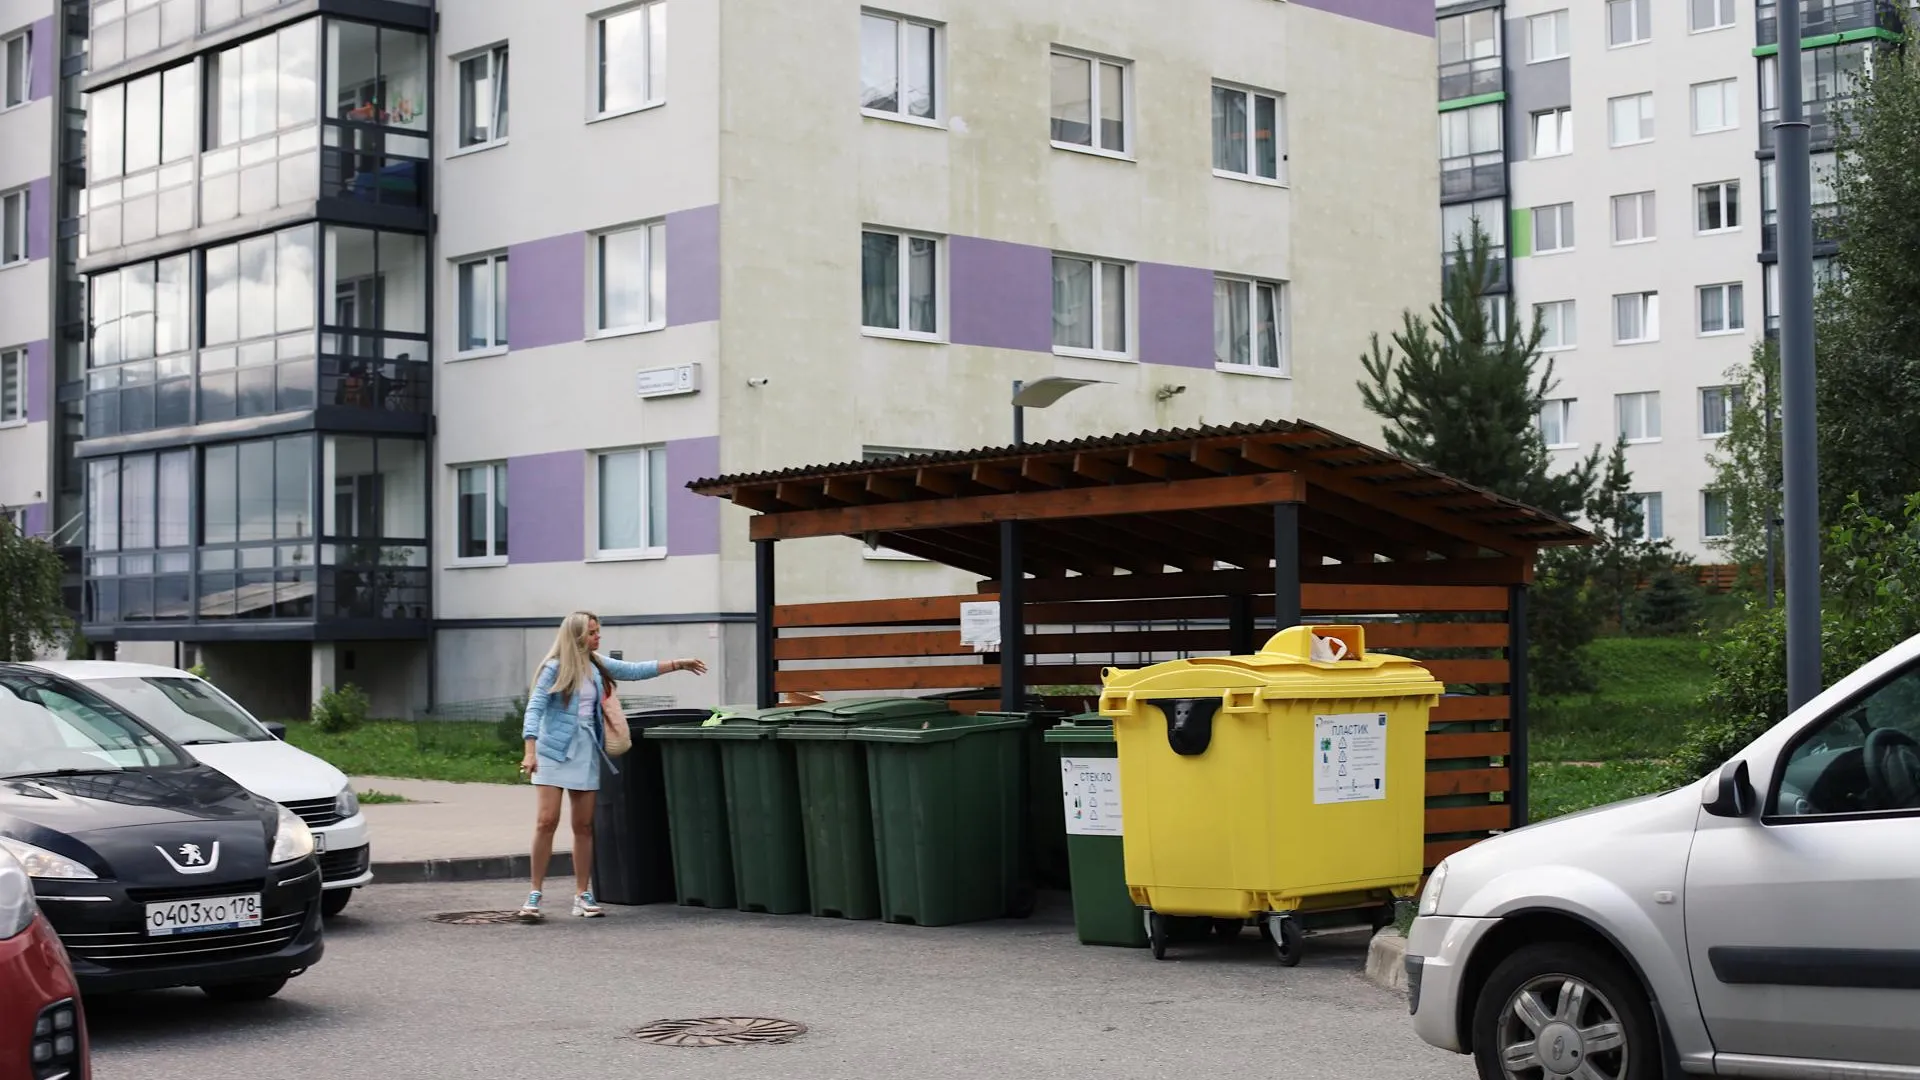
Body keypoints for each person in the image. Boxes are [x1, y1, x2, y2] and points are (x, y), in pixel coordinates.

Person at [517, 611, 707, 920]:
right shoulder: (554, 669)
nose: (597, 637)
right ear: (577, 635)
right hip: (551, 751)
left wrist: (677, 664)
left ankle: (582, 894)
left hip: (586, 752)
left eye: (597, 632)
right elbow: (535, 708)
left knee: (584, 826)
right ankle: (534, 895)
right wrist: (529, 751)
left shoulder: (596, 665)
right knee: (546, 822)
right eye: (592, 632)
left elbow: (633, 670)